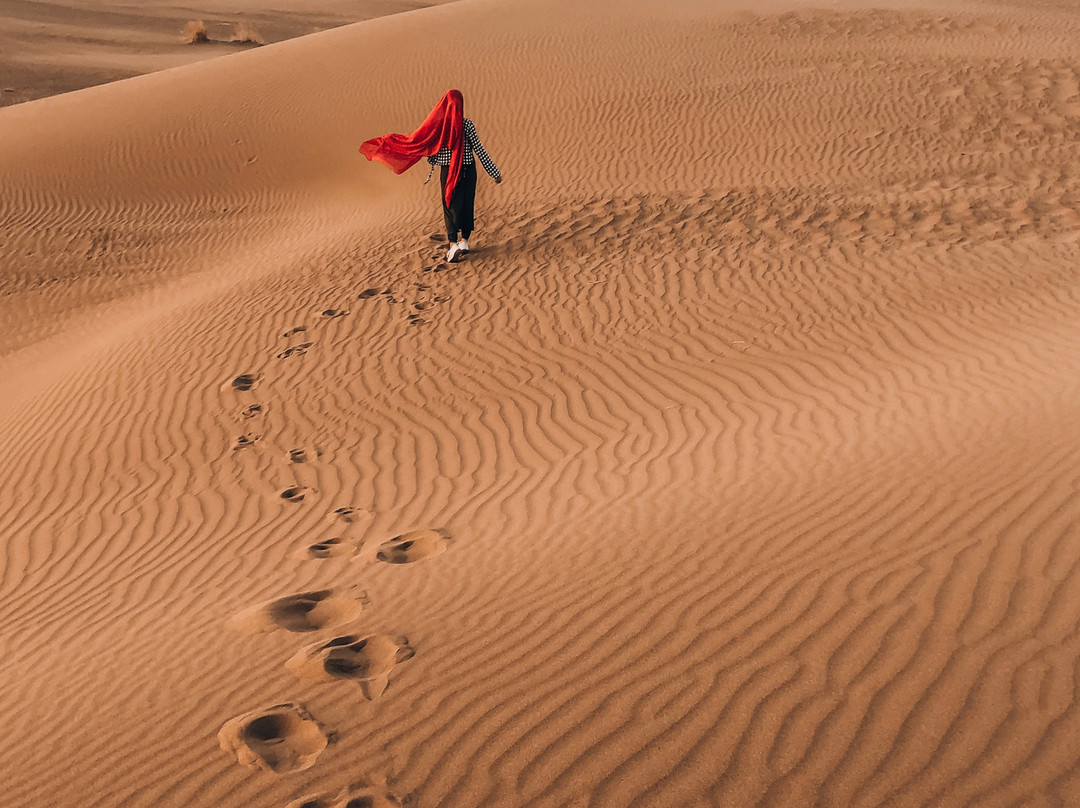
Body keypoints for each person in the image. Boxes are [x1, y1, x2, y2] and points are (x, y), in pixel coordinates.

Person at [360, 89, 502, 263]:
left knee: (450, 206)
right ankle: (465, 241)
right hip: (469, 170)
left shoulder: (441, 127)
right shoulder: (467, 125)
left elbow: (432, 149)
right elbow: (480, 150)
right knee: (467, 203)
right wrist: (494, 173)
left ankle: (453, 245)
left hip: (449, 172)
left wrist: (427, 155)